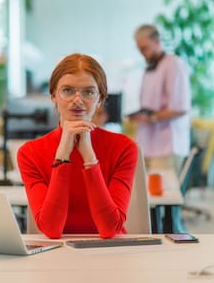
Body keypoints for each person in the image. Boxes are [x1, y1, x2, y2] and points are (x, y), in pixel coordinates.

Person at [17, 53, 138, 239]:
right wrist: (62, 155)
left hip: (111, 253)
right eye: (67, 90)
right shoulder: (30, 153)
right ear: (53, 97)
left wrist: (89, 158)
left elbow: (109, 229)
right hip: (57, 254)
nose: (77, 100)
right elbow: (51, 229)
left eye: (88, 92)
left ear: (100, 99)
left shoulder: (124, 148)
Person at [129, 24, 191, 174]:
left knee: (164, 195)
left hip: (167, 145)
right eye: (140, 50)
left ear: (157, 42)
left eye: (145, 48)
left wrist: (151, 117)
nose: (142, 54)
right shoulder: (149, 68)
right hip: (147, 144)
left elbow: (180, 108)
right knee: (146, 194)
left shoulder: (173, 64)